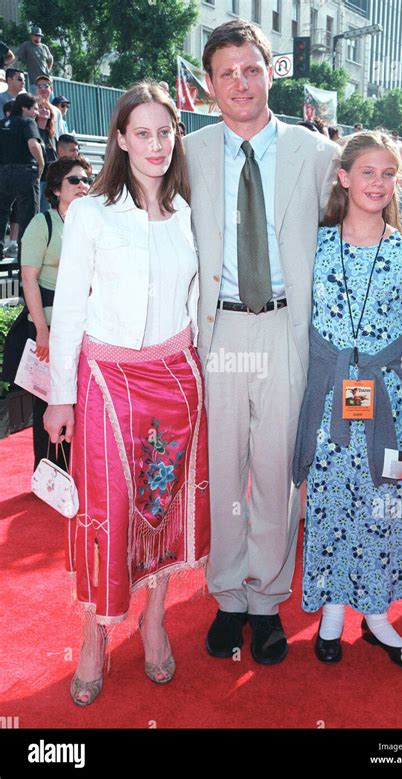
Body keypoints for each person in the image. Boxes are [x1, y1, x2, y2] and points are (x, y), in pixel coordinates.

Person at [43, 81, 210, 706]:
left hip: (177, 382)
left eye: (165, 132)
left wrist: (205, 375)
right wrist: (61, 395)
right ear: (119, 139)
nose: (156, 144)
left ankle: (155, 619)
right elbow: (69, 315)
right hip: (107, 385)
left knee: (165, 507)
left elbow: (197, 303)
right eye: (143, 132)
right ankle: (94, 638)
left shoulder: (191, 212)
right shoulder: (89, 213)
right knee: (107, 514)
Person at [184, 20, 339, 665]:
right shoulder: (187, 155)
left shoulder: (316, 153)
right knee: (226, 472)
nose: (240, 83)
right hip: (221, 330)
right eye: (227, 73)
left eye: (251, 69)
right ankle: (226, 596)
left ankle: (269, 598)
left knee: (275, 469)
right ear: (211, 85)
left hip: (283, 327)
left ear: (271, 70)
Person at [293, 131, 402, 669]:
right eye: (367, 172)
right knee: (329, 503)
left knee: (385, 509)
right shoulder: (315, 244)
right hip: (329, 404)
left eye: (388, 173)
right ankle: (331, 610)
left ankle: (377, 618)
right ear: (344, 176)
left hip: (391, 410)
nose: (378, 183)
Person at [21, 156, 92, 469]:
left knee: (79, 398)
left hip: (84, 326)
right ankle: (49, 472)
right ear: (55, 189)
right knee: (47, 400)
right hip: (47, 325)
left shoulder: (90, 222)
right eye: (74, 181)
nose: (82, 186)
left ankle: (77, 467)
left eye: (86, 180)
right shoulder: (43, 223)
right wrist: (42, 330)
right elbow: (28, 278)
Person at [0, 93, 44, 264]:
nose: (37, 112)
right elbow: (33, 144)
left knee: (2, 212)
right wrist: (41, 164)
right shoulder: (28, 122)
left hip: (3, 173)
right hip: (25, 172)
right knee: (28, 216)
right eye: (34, 108)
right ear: (24, 108)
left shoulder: (2, 123)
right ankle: (26, 259)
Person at [36, 100, 57, 211]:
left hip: (50, 179)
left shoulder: (51, 135)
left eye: (46, 108)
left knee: (47, 210)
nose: (44, 110)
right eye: (41, 108)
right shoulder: (32, 131)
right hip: (38, 177)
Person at [35, 75, 64, 140]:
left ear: (51, 89)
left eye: (46, 86)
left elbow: (60, 133)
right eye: (39, 86)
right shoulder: (32, 108)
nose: (42, 89)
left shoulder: (56, 111)